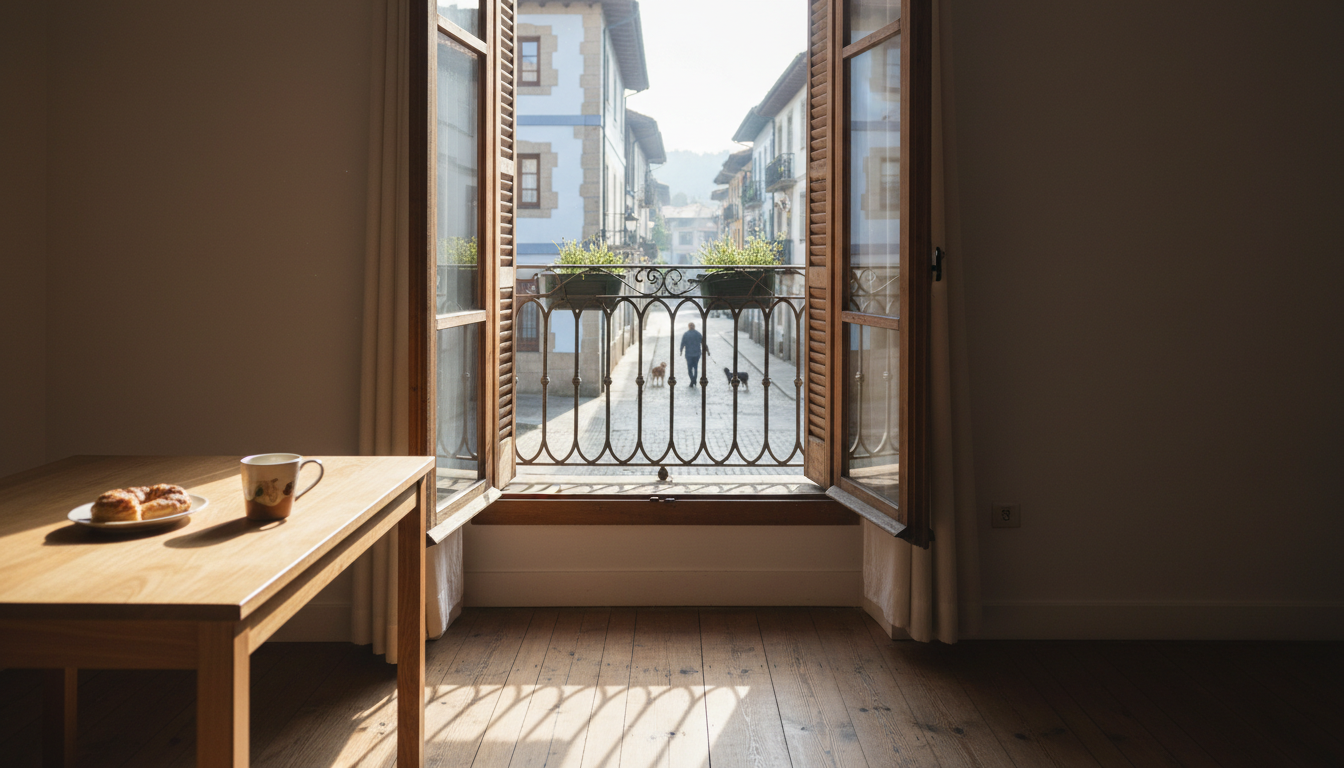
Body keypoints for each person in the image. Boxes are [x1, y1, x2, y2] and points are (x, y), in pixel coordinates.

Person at [678, 321, 708, 386]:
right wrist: (707, 350)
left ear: (689, 327)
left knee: (689, 368)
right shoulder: (698, 333)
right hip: (697, 353)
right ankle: (694, 380)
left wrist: (681, 350)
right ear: (694, 327)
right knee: (695, 367)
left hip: (689, 354)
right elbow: (703, 343)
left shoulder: (686, 334)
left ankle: (692, 380)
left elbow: (682, 343)